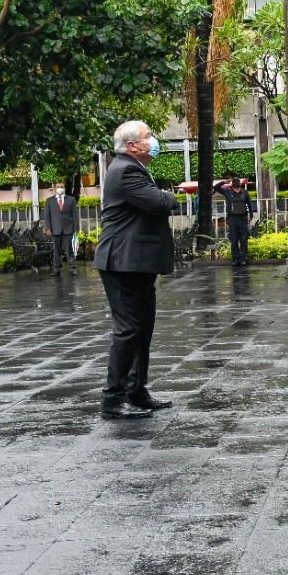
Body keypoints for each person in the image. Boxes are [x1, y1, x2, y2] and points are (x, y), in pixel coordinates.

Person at [94, 120, 176, 420]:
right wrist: (172, 196)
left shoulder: (132, 167)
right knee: (128, 330)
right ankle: (113, 399)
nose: (153, 140)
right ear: (132, 146)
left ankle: (136, 391)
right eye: (148, 136)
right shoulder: (126, 169)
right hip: (122, 262)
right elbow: (157, 202)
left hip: (136, 263)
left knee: (142, 330)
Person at [213, 175, 256, 266]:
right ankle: (236, 259)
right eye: (234, 181)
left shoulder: (245, 192)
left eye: (237, 181)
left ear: (240, 183)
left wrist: (251, 215)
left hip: (243, 218)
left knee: (244, 239)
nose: (236, 182)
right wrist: (224, 181)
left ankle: (243, 258)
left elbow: (249, 204)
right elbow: (216, 187)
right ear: (232, 183)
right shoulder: (228, 192)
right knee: (234, 239)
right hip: (232, 219)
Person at [42, 182, 80, 276]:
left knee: (69, 250)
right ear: (55, 188)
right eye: (58, 187)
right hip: (55, 229)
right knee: (56, 251)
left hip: (68, 229)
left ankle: (72, 268)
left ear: (64, 188)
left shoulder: (71, 200)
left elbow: (75, 216)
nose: (60, 188)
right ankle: (56, 269)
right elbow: (47, 217)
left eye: (61, 187)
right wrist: (47, 228)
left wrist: (76, 229)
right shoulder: (49, 201)